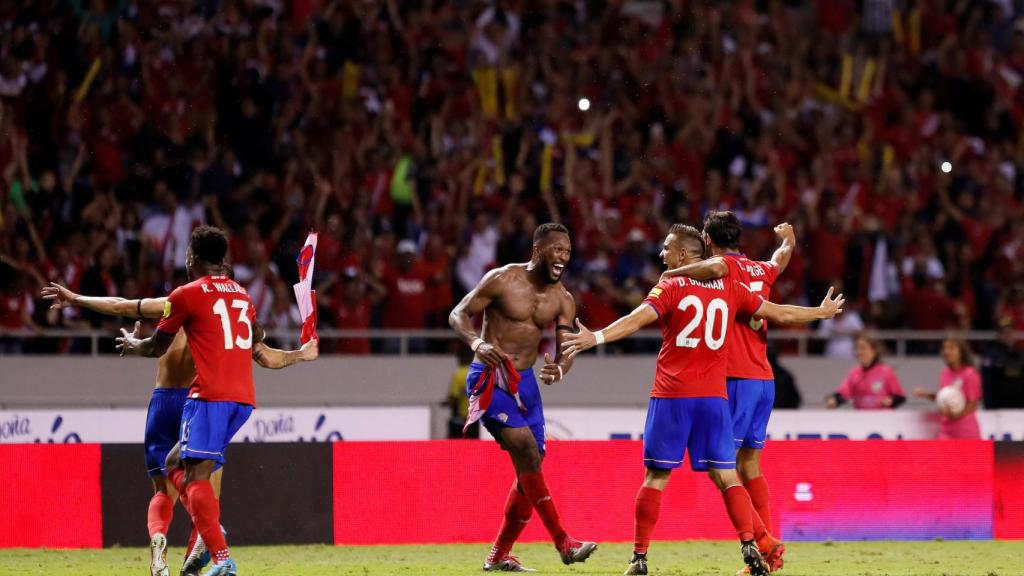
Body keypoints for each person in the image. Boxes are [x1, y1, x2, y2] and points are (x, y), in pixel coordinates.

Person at [561, 224, 844, 576]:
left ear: (684, 253)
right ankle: (754, 545)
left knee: (656, 477)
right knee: (728, 474)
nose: (662, 254)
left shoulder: (672, 283)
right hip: (714, 396)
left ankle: (639, 558)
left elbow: (637, 320)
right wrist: (819, 312)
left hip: (673, 395)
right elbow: (778, 311)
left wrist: (597, 337)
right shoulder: (732, 286)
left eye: (667, 248)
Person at [41, 275, 318, 576]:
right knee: (206, 492)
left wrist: (77, 299)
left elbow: (121, 306)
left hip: (163, 401)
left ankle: (159, 544)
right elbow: (266, 357)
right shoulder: (229, 320)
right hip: (197, 403)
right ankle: (197, 557)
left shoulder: (176, 303)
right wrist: (300, 354)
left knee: (163, 489)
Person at [114, 226, 279, 576]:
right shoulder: (241, 298)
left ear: (191, 258)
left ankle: (196, 555)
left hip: (187, 397)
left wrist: (79, 302)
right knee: (197, 478)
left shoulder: (184, 297)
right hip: (225, 397)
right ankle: (205, 551)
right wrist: (302, 353)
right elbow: (262, 346)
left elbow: (130, 316)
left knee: (173, 482)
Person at [449, 222, 597, 572]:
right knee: (528, 453)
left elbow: (567, 350)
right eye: (557, 249)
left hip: (527, 384)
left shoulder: (563, 299)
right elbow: (458, 314)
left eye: (568, 251)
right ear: (537, 249)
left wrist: (560, 369)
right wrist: (476, 343)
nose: (563, 257)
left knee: (531, 467)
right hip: (491, 377)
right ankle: (563, 541)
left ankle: (499, 554)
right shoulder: (502, 279)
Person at [657, 212, 795, 570]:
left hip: (733, 377)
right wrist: (788, 239)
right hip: (763, 378)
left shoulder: (722, 267)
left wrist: (672, 274)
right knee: (750, 463)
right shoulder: (761, 269)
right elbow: (781, 258)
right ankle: (765, 556)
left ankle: (764, 546)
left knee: (725, 470)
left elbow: (709, 269)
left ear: (707, 238)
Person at [913, 338, 982, 439]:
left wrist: (956, 415)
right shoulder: (944, 374)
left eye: (951, 348)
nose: (946, 352)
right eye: (944, 348)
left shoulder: (970, 374)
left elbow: (973, 403)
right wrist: (927, 395)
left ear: (961, 352)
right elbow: (944, 398)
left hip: (966, 431)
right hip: (946, 431)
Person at [826, 334, 906, 410]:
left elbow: (900, 396)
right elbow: (843, 392)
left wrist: (891, 400)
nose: (859, 352)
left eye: (863, 348)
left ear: (874, 351)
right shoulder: (854, 373)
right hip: (862, 420)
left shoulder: (886, 372)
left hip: (882, 419)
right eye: (858, 348)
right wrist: (834, 400)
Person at [446, 345, 478, 438]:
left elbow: (453, 398)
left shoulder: (458, 374)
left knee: (455, 448)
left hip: (461, 419)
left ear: (461, 358)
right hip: (475, 420)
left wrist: (448, 402)